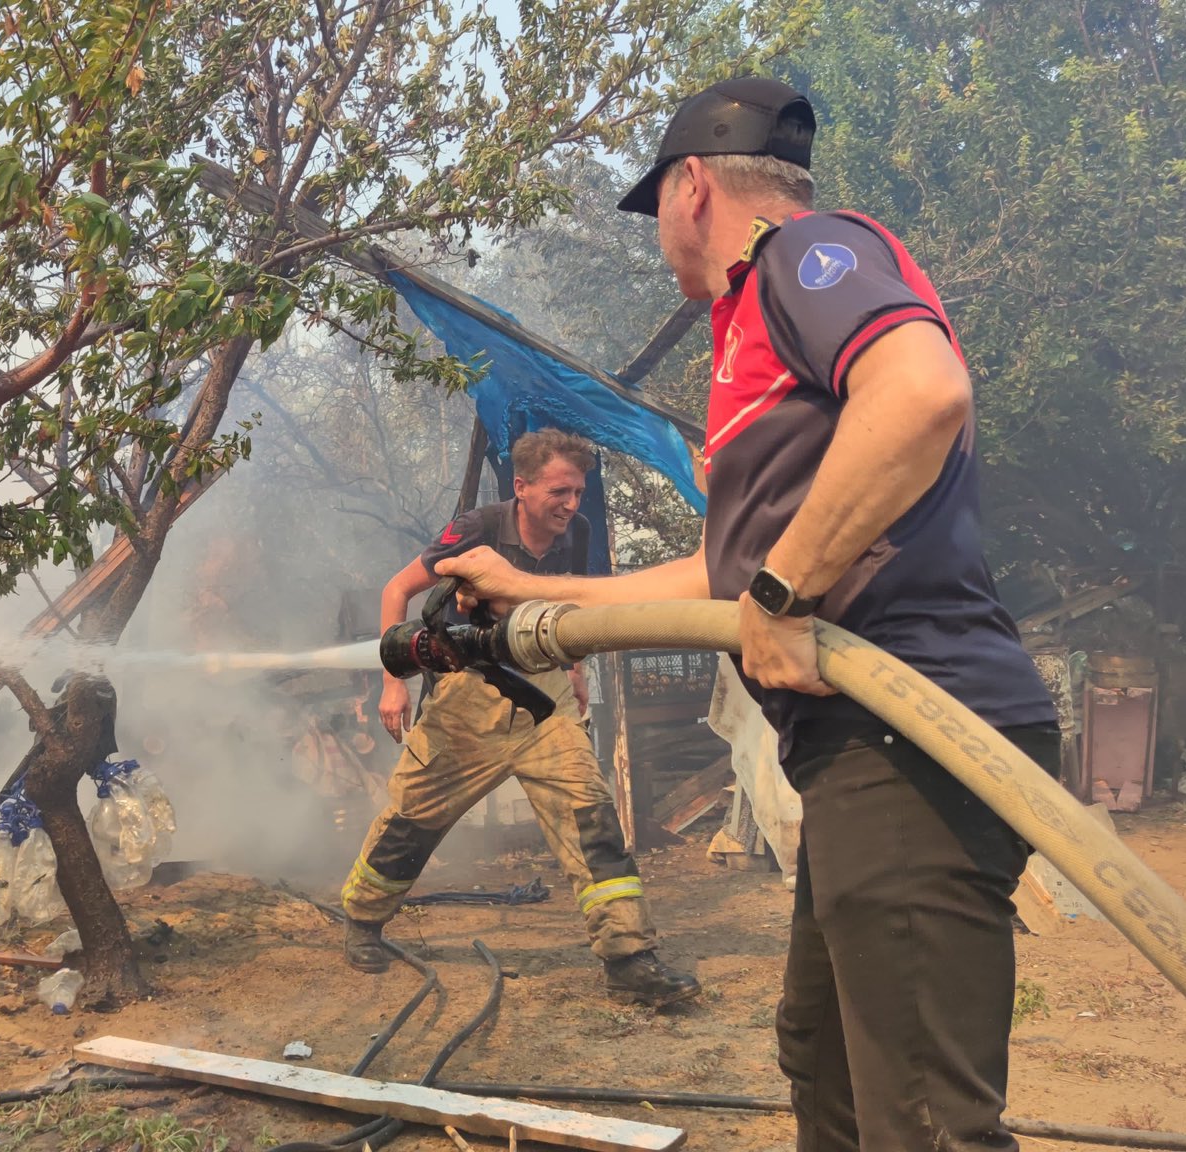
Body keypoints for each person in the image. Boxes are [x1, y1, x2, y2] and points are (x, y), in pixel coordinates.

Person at [437, 77, 1060, 1152]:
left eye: (655, 221)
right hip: (860, 747)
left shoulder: (802, 258)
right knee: (822, 1061)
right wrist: (534, 592)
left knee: (915, 1113)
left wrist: (781, 591)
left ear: (689, 188)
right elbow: (724, 578)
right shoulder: (758, 330)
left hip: (911, 729)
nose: (657, 249)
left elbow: (919, 394)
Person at [340, 428, 701, 1008]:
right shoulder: (478, 528)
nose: (571, 505)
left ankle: (628, 956)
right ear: (522, 487)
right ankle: (362, 919)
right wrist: (391, 682)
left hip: (545, 702)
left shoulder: (577, 534)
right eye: (560, 491)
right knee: (412, 820)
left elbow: (570, 610)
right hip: (467, 704)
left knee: (590, 816)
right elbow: (398, 589)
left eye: (579, 492)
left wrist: (575, 671)